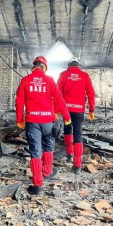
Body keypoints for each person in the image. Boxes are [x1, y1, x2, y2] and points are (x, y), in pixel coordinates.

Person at [16, 56, 71, 195]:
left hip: (32, 121)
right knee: (49, 146)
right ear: (44, 67)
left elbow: (19, 102)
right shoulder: (50, 80)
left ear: (34, 66)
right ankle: (47, 172)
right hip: (48, 121)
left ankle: (38, 186)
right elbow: (59, 99)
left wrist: (19, 120)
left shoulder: (25, 80)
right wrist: (66, 117)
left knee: (35, 151)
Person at [57, 57, 95, 175]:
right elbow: (91, 93)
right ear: (79, 65)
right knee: (78, 134)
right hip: (79, 109)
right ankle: (77, 166)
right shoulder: (84, 76)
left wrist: (57, 110)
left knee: (67, 129)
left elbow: (58, 93)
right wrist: (91, 109)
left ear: (68, 65)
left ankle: (69, 155)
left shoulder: (63, 75)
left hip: (66, 109)